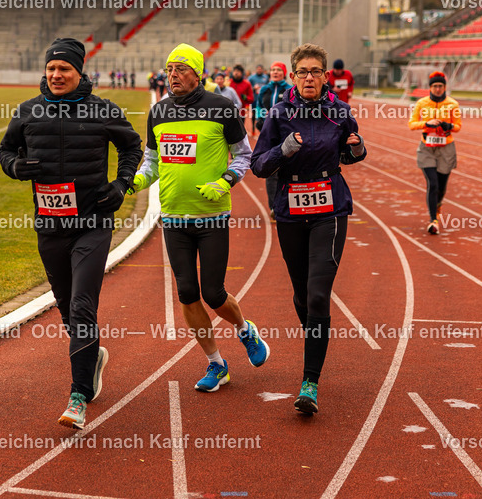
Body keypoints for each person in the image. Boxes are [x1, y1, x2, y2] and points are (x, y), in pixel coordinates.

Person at [0, 38, 142, 429]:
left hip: (92, 223)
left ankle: (78, 395)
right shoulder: (28, 111)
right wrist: (16, 167)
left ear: (80, 72)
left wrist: (121, 186)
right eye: (51, 69)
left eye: (64, 69)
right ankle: (92, 355)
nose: (56, 75)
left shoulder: (102, 111)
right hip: (50, 226)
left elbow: (133, 147)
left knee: (82, 304)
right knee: (66, 308)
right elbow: (6, 151)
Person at [129, 44, 269, 392]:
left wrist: (224, 182)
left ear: (197, 73)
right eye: (169, 69)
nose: (172, 75)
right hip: (174, 217)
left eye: (180, 69)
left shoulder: (222, 109)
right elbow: (152, 160)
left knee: (214, 292)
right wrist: (137, 180)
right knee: (187, 293)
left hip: (211, 217)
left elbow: (244, 157)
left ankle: (245, 331)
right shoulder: (158, 111)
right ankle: (216, 364)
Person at [250, 43, 366, 415]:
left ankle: (310, 382)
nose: (310, 78)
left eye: (316, 71)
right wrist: (282, 150)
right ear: (294, 76)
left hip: (330, 208)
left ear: (325, 77)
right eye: (303, 72)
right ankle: (315, 336)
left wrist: (357, 148)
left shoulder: (340, 112)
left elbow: (349, 152)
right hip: (290, 209)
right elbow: (258, 165)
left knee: (318, 294)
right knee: (301, 294)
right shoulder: (279, 114)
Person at [408, 71, 461, 235]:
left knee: (442, 187)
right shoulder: (422, 104)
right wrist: (427, 123)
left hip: (446, 148)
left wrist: (449, 126)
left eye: (440, 86)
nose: (438, 89)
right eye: (435, 86)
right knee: (433, 183)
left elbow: (458, 126)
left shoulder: (453, 104)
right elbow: (411, 124)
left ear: (445, 87)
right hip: (427, 148)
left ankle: (438, 205)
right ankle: (433, 220)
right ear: (430, 88)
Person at [253, 61, 294, 218]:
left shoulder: (290, 90)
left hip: (285, 134)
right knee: (271, 170)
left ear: (284, 73)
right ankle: (274, 207)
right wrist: (259, 119)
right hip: (268, 134)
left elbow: (294, 110)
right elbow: (258, 106)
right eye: (273, 70)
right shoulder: (264, 89)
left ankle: (288, 203)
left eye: (278, 70)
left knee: (287, 168)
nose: (275, 72)